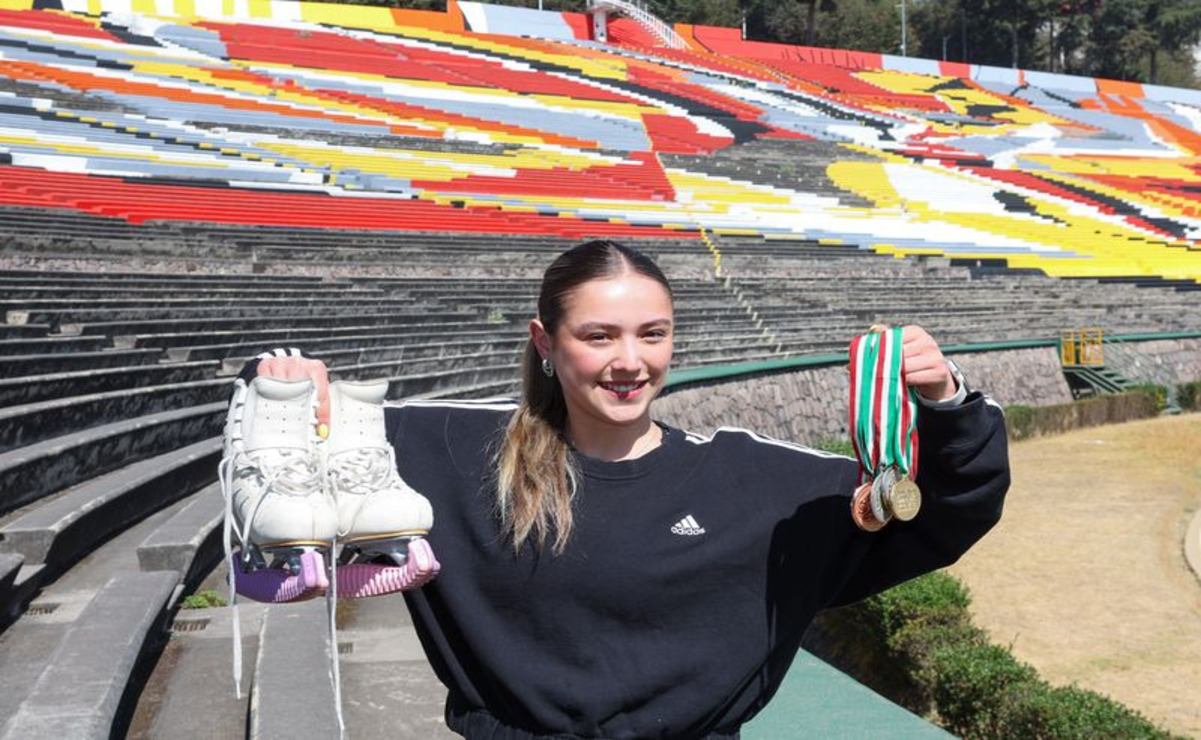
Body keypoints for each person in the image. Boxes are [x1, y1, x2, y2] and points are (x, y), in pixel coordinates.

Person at [239, 239, 1009, 739]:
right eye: (598, 336)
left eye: (652, 333)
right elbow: (286, 425)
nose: (629, 361)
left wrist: (947, 402)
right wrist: (287, 387)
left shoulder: (755, 480)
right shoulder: (446, 450)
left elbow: (940, 517)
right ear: (546, 342)